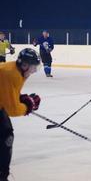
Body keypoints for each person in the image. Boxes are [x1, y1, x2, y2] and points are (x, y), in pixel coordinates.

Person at [0, 48, 41, 181]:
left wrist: (22, 99)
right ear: (25, 65)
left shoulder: (18, 71)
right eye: (33, 67)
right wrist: (29, 106)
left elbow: (8, 95)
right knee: (6, 136)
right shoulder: (12, 74)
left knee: (6, 134)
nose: (34, 71)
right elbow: (11, 109)